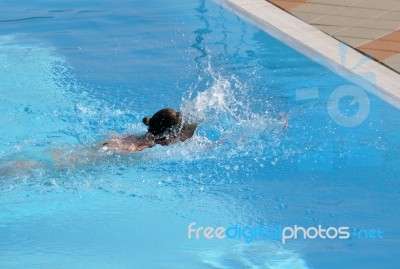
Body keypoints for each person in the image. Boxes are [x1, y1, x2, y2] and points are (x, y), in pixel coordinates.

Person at [99, 108, 197, 152]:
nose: (175, 138)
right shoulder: (146, 143)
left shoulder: (151, 139)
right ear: (167, 135)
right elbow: (112, 146)